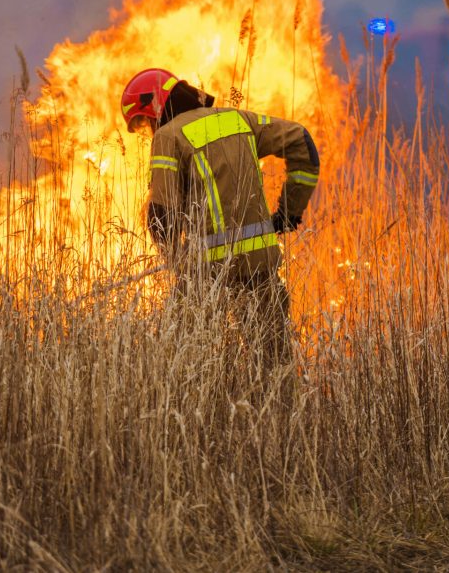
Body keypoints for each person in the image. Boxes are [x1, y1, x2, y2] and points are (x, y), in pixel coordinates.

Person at [120, 68, 320, 367]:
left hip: (206, 275)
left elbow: (163, 213)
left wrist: (174, 259)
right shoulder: (240, 120)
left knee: (188, 368)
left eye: (143, 123)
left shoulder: (168, 136)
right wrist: (288, 214)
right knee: (274, 365)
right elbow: (301, 142)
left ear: (155, 105)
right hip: (261, 268)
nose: (147, 131)